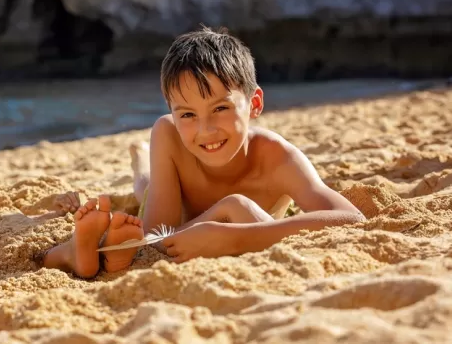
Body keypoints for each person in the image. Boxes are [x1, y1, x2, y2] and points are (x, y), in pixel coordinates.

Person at [62, 26, 366, 268]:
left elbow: (351, 219)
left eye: (220, 109)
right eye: (188, 114)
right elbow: (154, 237)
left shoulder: (277, 157)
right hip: (177, 202)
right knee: (145, 186)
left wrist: (235, 235)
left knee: (215, 200)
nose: (206, 130)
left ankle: (143, 161)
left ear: (254, 104)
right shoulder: (169, 133)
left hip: (202, 219)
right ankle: (139, 157)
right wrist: (221, 214)